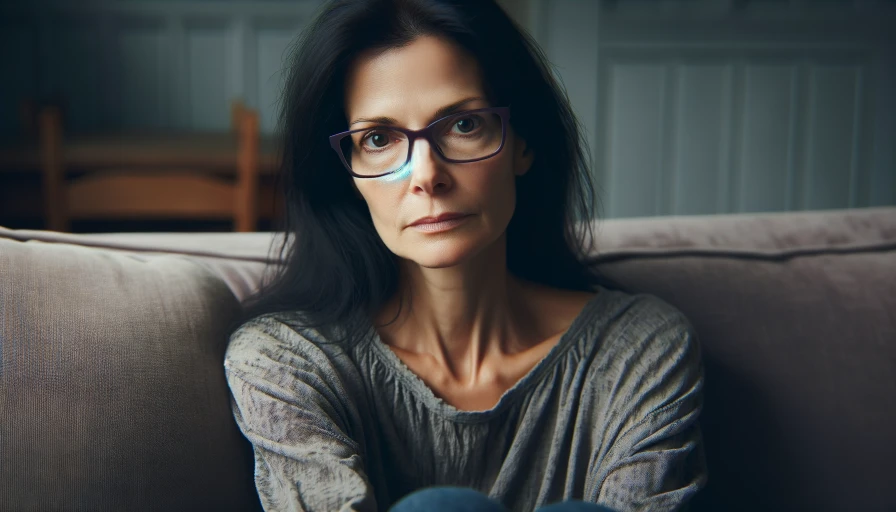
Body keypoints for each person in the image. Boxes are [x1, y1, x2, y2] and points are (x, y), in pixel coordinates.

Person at [223, 0, 707, 510]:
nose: (427, 175)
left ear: (523, 143)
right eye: (379, 138)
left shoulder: (638, 349)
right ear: (347, 173)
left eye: (463, 125)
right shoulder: (285, 361)